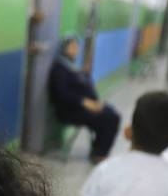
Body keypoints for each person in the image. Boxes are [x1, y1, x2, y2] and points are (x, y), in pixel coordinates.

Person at [48, 34, 121, 164]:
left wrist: (96, 102)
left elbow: (87, 87)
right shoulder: (59, 68)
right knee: (108, 117)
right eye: (72, 46)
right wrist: (84, 102)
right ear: (64, 48)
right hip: (70, 110)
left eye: (77, 46)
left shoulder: (75, 67)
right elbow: (61, 94)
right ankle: (100, 153)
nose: (75, 49)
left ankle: (99, 149)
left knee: (111, 113)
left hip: (85, 106)